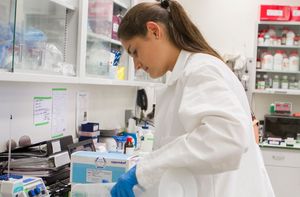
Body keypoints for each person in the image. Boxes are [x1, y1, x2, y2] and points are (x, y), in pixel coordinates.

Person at [111, 0, 275, 197]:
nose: (136, 64)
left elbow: (226, 137)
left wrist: (144, 170)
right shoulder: (187, 74)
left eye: (134, 51)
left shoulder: (201, 70)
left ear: (154, 31)